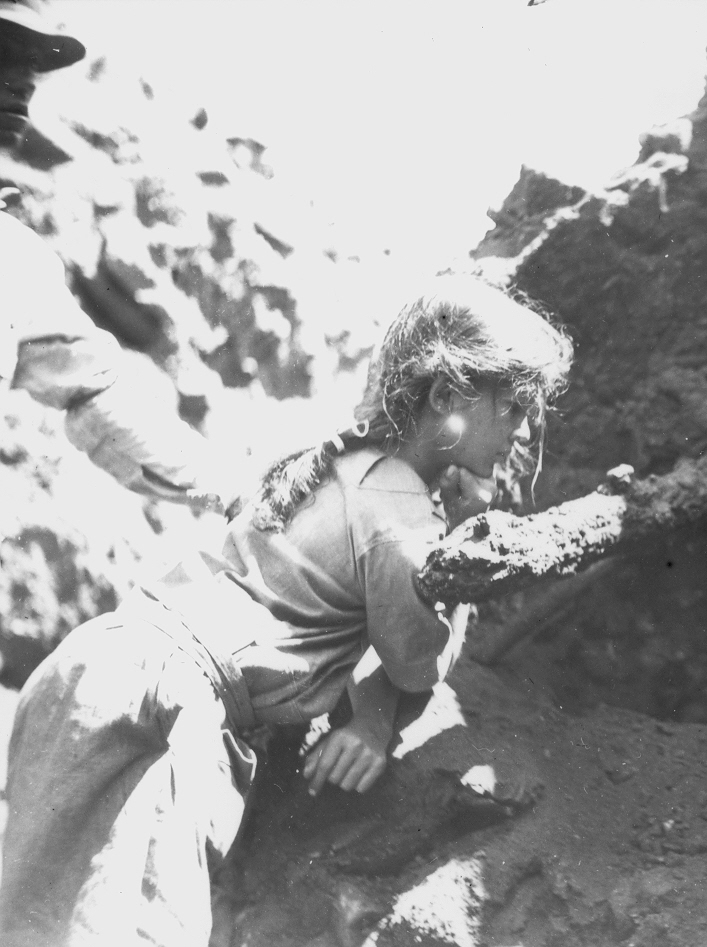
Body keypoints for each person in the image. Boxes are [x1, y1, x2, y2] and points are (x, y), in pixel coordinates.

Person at [0, 275, 574, 946]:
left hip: (98, 664)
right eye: (512, 407)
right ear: (445, 397)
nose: (522, 429)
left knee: (31, 918)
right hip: (167, 710)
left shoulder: (328, 453)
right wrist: (463, 546)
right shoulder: (403, 519)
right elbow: (417, 663)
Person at [2, 0, 224, 508]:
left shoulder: (14, 257)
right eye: (5, 53)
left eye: (33, 64)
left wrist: (236, 492)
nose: (25, 81)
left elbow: (95, 389)